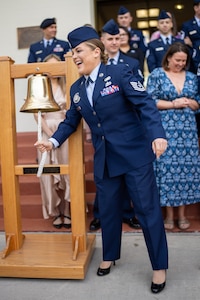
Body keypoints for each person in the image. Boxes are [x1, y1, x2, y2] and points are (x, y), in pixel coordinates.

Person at [35, 25, 168, 294]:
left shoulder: (120, 73)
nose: (74, 56)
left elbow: (145, 104)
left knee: (146, 211)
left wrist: (157, 135)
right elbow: (70, 121)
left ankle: (159, 267)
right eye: (72, 52)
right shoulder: (76, 89)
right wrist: (51, 142)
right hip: (105, 160)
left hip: (134, 156)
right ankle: (110, 255)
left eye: (79, 51)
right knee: (107, 211)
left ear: (96, 51)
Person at [89, 18, 143, 231]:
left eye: (117, 38)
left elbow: (138, 97)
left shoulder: (131, 63)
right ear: (101, 41)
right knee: (105, 174)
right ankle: (100, 215)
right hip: (102, 129)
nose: (114, 42)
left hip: (126, 128)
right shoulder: (95, 64)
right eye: (109, 38)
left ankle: (128, 213)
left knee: (127, 171)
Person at [146, 42, 200, 231]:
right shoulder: (157, 75)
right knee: (167, 170)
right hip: (165, 129)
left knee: (185, 171)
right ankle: (169, 215)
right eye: (177, 60)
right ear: (168, 57)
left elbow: (198, 103)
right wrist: (173, 104)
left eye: (184, 61)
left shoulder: (193, 78)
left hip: (187, 131)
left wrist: (190, 102)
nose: (180, 64)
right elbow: (149, 101)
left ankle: (182, 214)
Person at [34, 54, 71, 229]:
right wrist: (50, 135)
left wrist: (60, 133)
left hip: (65, 130)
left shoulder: (67, 84)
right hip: (45, 131)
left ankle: (70, 210)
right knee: (49, 175)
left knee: (67, 172)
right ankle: (56, 212)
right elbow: (36, 112)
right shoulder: (40, 86)